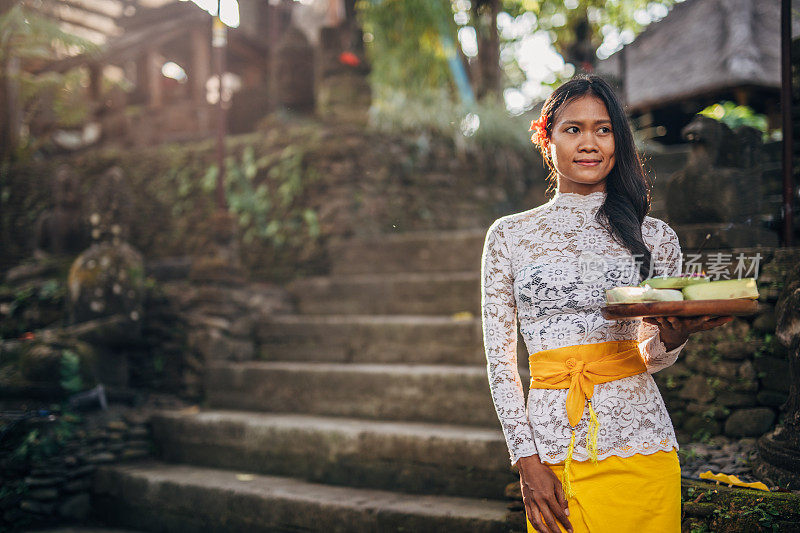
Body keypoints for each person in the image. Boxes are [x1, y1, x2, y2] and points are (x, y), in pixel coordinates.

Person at [480, 74, 734, 533]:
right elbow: (500, 363)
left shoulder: (654, 236)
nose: (589, 143)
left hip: (643, 442)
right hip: (553, 450)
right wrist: (526, 460)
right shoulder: (509, 236)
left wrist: (673, 338)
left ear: (618, 139)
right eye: (573, 129)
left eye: (604, 129)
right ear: (547, 137)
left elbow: (651, 357)